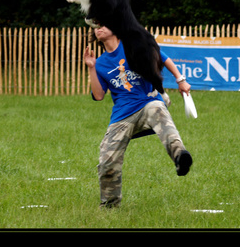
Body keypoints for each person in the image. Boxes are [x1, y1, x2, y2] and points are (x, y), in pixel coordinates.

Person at [83, 26, 193, 208]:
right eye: (96, 26)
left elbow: (162, 57)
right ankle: (110, 206)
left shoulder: (133, 45)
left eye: (103, 24)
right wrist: (92, 68)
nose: (98, 28)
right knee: (107, 162)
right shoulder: (101, 62)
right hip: (123, 115)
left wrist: (180, 80)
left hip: (148, 102)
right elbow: (99, 95)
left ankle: (180, 157)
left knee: (158, 110)